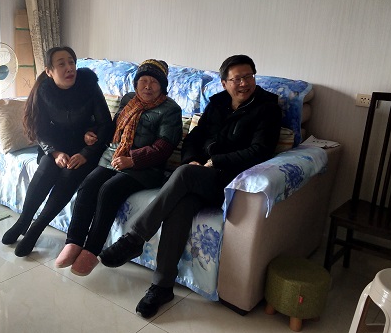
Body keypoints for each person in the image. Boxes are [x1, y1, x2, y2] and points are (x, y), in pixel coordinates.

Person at [99, 54, 282, 318]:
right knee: (180, 205)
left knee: (184, 175)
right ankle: (162, 286)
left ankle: (135, 237)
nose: (243, 83)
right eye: (236, 79)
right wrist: (193, 160)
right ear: (224, 83)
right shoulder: (217, 103)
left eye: (248, 77)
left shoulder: (267, 108)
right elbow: (195, 137)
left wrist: (214, 161)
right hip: (201, 174)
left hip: (232, 181)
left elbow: (260, 151)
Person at [55, 59, 182, 276]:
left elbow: (164, 148)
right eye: (143, 81)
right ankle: (74, 242)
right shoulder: (128, 100)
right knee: (88, 185)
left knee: (109, 190)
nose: (148, 86)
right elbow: (113, 128)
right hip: (113, 157)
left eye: (154, 82)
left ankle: (91, 250)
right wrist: (92, 133)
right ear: (136, 83)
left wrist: (133, 159)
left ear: (162, 86)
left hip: (146, 168)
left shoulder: (170, 110)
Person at [1, 46, 113, 257]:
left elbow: (106, 125)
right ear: (49, 71)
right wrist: (54, 152)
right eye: (62, 64)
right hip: (56, 144)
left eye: (71, 62)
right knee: (47, 168)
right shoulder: (44, 90)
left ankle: (36, 229)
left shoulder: (89, 85)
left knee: (70, 173)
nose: (69, 68)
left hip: (86, 147)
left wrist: (86, 153)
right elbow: (39, 128)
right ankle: (24, 220)